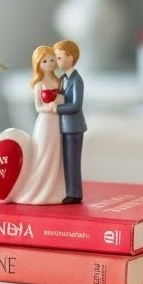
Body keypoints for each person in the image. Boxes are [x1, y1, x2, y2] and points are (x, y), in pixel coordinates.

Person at [10, 45, 65, 205]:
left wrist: (59, 102)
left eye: (52, 60)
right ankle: (41, 188)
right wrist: (51, 107)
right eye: (45, 61)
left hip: (58, 120)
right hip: (47, 121)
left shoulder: (58, 80)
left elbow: (63, 98)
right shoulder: (39, 83)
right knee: (45, 152)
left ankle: (57, 188)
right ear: (38, 64)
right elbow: (38, 107)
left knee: (57, 153)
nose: (49, 63)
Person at [54, 38, 86, 204]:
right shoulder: (62, 79)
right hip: (64, 126)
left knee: (72, 161)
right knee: (65, 161)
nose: (57, 61)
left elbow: (76, 105)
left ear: (71, 57)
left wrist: (56, 109)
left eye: (59, 57)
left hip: (74, 127)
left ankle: (75, 193)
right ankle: (67, 190)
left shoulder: (76, 80)